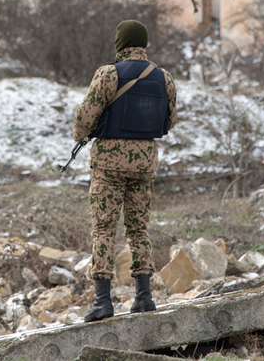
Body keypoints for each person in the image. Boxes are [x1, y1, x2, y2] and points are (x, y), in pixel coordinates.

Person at [73, 19, 177, 322]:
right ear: (143, 44)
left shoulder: (108, 75)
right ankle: (144, 297)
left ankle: (103, 302)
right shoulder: (164, 78)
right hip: (145, 163)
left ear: (120, 43)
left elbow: (83, 121)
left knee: (104, 230)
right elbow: (169, 121)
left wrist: (88, 133)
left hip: (108, 165)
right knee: (138, 228)